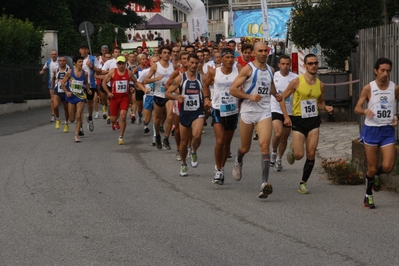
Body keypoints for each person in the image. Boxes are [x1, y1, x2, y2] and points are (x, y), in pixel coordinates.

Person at [229, 42, 281, 199]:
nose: (264, 53)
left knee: (264, 145)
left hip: (264, 111)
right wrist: (249, 96)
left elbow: (270, 87)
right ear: (253, 53)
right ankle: (238, 160)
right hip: (248, 111)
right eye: (261, 51)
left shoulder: (271, 70)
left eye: (266, 50)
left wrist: (276, 94)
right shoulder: (248, 69)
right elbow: (232, 90)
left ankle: (264, 184)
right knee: (245, 147)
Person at [280, 53, 333, 194]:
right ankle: (293, 150)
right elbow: (282, 98)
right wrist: (286, 116)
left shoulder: (321, 85)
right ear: (305, 66)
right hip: (298, 120)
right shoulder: (297, 82)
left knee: (311, 153)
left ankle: (303, 183)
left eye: (315, 63)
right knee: (298, 155)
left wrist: (326, 107)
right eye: (310, 63)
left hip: (314, 121)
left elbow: (320, 103)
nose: (314, 65)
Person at [354, 58, 399, 209]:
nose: (385, 73)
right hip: (371, 130)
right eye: (382, 70)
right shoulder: (369, 88)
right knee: (372, 167)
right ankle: (368, 195)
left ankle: (376, 176)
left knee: (388, 167)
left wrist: (397, 116)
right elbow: (357, 108)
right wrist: (365, 110)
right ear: (376, 71)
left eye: (388, 70)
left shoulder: (395, 88)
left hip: (387, 130)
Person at [203, 48, 239, 184]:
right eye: (227, 57)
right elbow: (205, 85)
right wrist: (207, 98)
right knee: (220, 141)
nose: (230, 60)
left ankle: (222, 167)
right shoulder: (214, 71)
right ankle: (218, 169)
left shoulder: (238, 71)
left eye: (232, 57)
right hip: (218, 108)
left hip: (232, 110)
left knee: (227, 143)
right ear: (221, 59)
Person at [166, 54, 204, 176]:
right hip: (185, 112)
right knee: (183, 141)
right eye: (191, 63)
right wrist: (177, 97)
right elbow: (167, 93)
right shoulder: (180, 78)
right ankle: (183, 163)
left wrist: (208, 99)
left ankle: (193, 151)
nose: (193, 65)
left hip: (198, 111)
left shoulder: (202, 78)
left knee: (197, 136)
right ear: (186, 62)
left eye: (196, 63)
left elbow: (210, 89)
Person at [270, 55, 298, 172]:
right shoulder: (274, 76)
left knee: (284, 137)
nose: (285, 66)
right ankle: (274, 151)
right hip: (276, 109)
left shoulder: (296, 78)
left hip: (290, 110)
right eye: (283, 64)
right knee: (277, 133)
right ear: (279, 65)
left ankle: (279, 159)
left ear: (290, 65)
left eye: (287, 64)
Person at [144, 46, 175, 150]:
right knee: (157, 119)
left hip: (169, 95)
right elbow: (146, 81)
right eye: (164, 52)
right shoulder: (156, 66)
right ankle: (157, 135)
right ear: (160, 55)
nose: (166, 54)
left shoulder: (173, 66)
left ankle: (166, 138)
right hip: (158, 95)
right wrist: (156, 78)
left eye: (168, 53)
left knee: (170, 117)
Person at [102, 56, 138, 145]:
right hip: (114, 98)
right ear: (117, 64)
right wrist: (108, 92)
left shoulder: (128, 73)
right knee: (113, 119)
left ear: (125, 63)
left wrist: (133, 88)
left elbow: (136, 82)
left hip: (124, 98)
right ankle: (114, 122)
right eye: (120, 64)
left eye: (123, 63)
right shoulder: (112, 72)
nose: (121, 65)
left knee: (123, 116)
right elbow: (104, 83)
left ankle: (121, 136)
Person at [61, 55, 90, 143]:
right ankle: (79, 120)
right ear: (75, 63)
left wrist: (88, 90)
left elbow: (86, 83)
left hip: (81, 96)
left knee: (78, 115)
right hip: (71, 97)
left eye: (82, 62)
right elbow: (62, 83)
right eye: (79, 62)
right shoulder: (70, 72)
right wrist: (66, 92)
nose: (81, 63)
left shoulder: (85, 73)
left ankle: (76, 135)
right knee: (72, 119)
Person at [79, 43, 102, 133]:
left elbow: (99, 70)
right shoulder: (77, 59)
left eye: (85, 49)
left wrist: (91, 66)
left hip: (91, 85)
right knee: (79, 106)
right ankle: (80, 127)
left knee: (89, 104)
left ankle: (90, 117)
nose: (83, 51)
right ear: (79, 50)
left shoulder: (92, 59)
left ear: (88, 50)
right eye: (82, 49)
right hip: (80, 86)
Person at [51, 56, 70, 132]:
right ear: (59, 62)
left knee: (66, 109)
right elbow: (53, 79)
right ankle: (58, 119)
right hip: (57, 91)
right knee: (55, 106)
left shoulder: (69, 71)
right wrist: (51, 88)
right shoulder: (56, 70)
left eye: (63, 61)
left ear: (66, 62)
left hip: (66, 91)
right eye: (60, 61)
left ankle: (66, 123)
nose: (62, 62)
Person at [40, 49, 59, 122]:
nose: (54, 55)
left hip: (60, 82)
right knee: (52, 99)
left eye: (55, 54)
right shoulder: (48, 62)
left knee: (59, 99)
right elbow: (44, 68)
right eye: (53, 54)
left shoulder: (60, 62)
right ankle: (53, 115)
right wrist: (42, 71)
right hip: (51, 82)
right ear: (51, 55)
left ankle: (59, 113)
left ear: (57, 55)